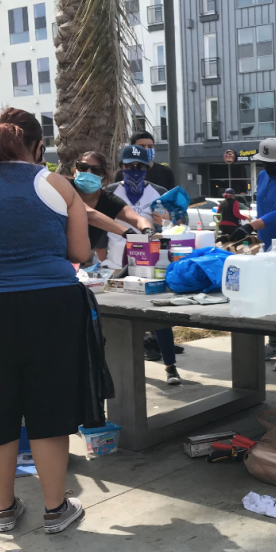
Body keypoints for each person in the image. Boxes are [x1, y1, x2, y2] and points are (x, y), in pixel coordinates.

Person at [0, 108, 90, 534]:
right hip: (52, 305)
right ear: (38, 147)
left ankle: (4, 509)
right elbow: (80, 254)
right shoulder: (57, 185)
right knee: (49, 407)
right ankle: (55, 509)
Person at [107, 145, 183, 384]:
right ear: (121, 167)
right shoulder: (109, 192)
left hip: (150, 262)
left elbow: (180, 221)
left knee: (159, 318)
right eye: (130, 166)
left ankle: (170, 366)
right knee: (116, 318)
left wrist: (168, 220)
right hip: (116, 261)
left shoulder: (159, 192)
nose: (135, 171)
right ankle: (120, 371)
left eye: (140, 166)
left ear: (148, 167)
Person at [231, 138, 276, 372]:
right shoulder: (263, 177)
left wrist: (251, 226)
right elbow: (261, 206)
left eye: (272, 162)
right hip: (266, 244)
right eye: (264, 162)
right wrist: (256, 235)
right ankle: (272, 343)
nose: (267, 167)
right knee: (267, 293)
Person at [70, 151, 153, 262]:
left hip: (79, 263)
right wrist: (127, 232)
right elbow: (88, 213)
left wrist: (147, 231)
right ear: (75, 170)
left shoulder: (108, 200)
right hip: (53, 259)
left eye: (96, 170)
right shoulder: (66, 189)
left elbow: (138, 219)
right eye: (83, 167)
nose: (88, 172)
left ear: (103, 177)